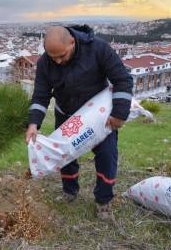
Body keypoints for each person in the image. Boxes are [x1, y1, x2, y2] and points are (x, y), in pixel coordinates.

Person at [25, 25, 133, 220]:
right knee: (65, 156)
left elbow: (123, 79)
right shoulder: (45, 63)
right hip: (65, 115)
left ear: (72, 42)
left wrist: (120, 114)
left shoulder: (99, 49)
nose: (57, 61)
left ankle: (103, 201)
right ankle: (69, 191)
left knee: (107, 156)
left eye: (62, 56)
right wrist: (34, 124)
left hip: (97, 117)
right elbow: (40, 95)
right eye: (53, 57)